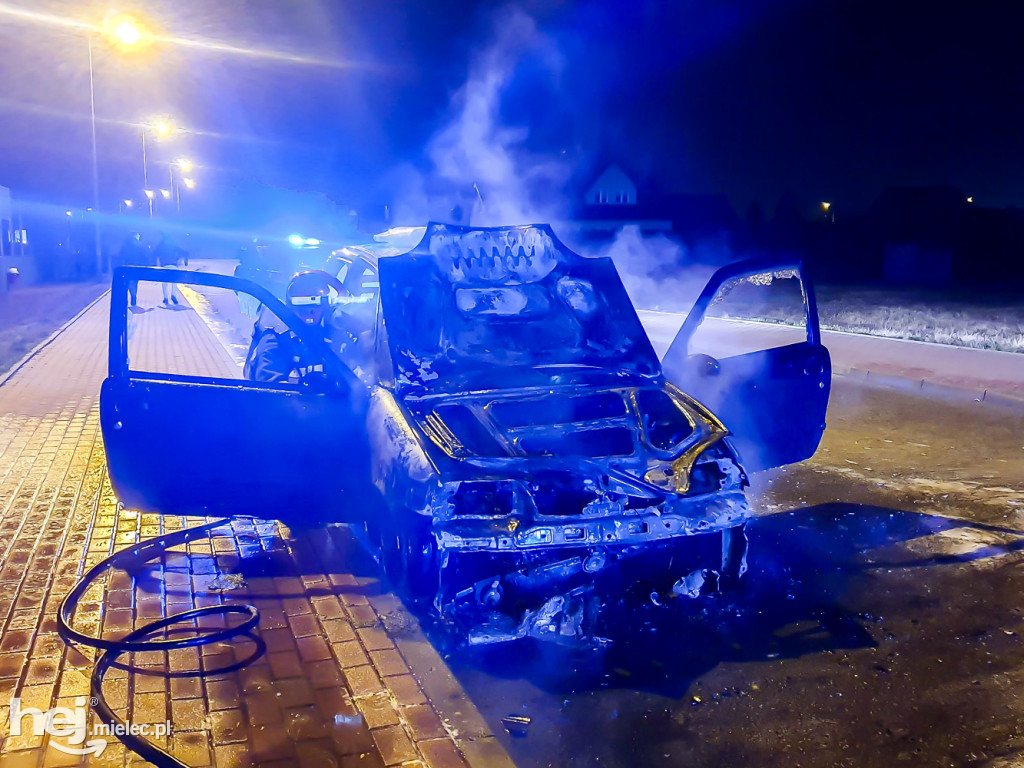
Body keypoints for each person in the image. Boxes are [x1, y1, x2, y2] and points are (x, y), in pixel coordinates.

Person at [243, 270, 345, 383]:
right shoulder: (276, 339)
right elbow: (270, 389)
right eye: (302, 305)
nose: (310, 312)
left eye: (316, 302)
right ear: (290, 307)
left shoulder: (336, 330)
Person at [153, 232, 189, 306]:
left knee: (164, 283)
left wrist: (154, 264)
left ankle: (165, 298)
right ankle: (174, 295)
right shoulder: (174, 245)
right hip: (173, 265)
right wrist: (185, 261)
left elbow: (154, 254)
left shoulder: (160, 246)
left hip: (164, 265)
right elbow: (183, 252)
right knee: (174, 282)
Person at [116, 232, 148, 307]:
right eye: (138, 235)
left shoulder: (125, 245)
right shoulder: (139, 245)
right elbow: (144, 255)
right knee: (134, 283)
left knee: (126, 283)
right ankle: (133, 298)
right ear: (136, 236)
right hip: (136, 267)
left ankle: (125, 300)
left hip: (127, 267)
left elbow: (121, 255)